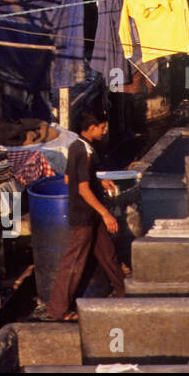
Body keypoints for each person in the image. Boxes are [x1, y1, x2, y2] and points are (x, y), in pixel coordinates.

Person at [46, 111, 125, 321]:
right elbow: (82, 189)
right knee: (74, 262)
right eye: (102, 127)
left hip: (91, 215)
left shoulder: (76, 146)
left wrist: (99, 182)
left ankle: (124, 294)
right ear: (91, 128)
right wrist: (105, 213)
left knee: (108, 254)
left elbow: (67, 179)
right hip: (85, 216)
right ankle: (58, 310)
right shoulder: (84, 152)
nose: (104, 131)